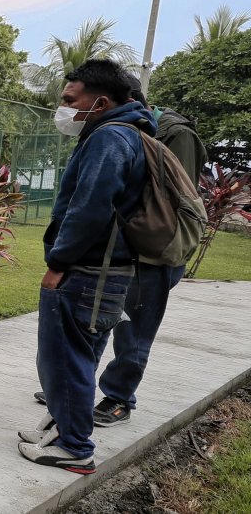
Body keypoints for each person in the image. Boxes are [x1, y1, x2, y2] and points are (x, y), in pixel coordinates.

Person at [19, 59, 154, 474]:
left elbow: (91, 206)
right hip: (107, 270)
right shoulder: (130, 132)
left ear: (99, 101)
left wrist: (60, 261)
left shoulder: (109, 138)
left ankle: (75, 447)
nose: (63, 107)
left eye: (69, 100)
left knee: (65, 357)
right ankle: (63, 427)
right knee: (83, 355)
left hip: (89, 271)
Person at [90, 77, 206, 425]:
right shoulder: (123, 133)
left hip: (152, 253)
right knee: (97, 320)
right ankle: (76, 384)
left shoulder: (175, 135)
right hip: (119, 246)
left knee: (134, 329)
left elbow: (173, 200)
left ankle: (118, 397)